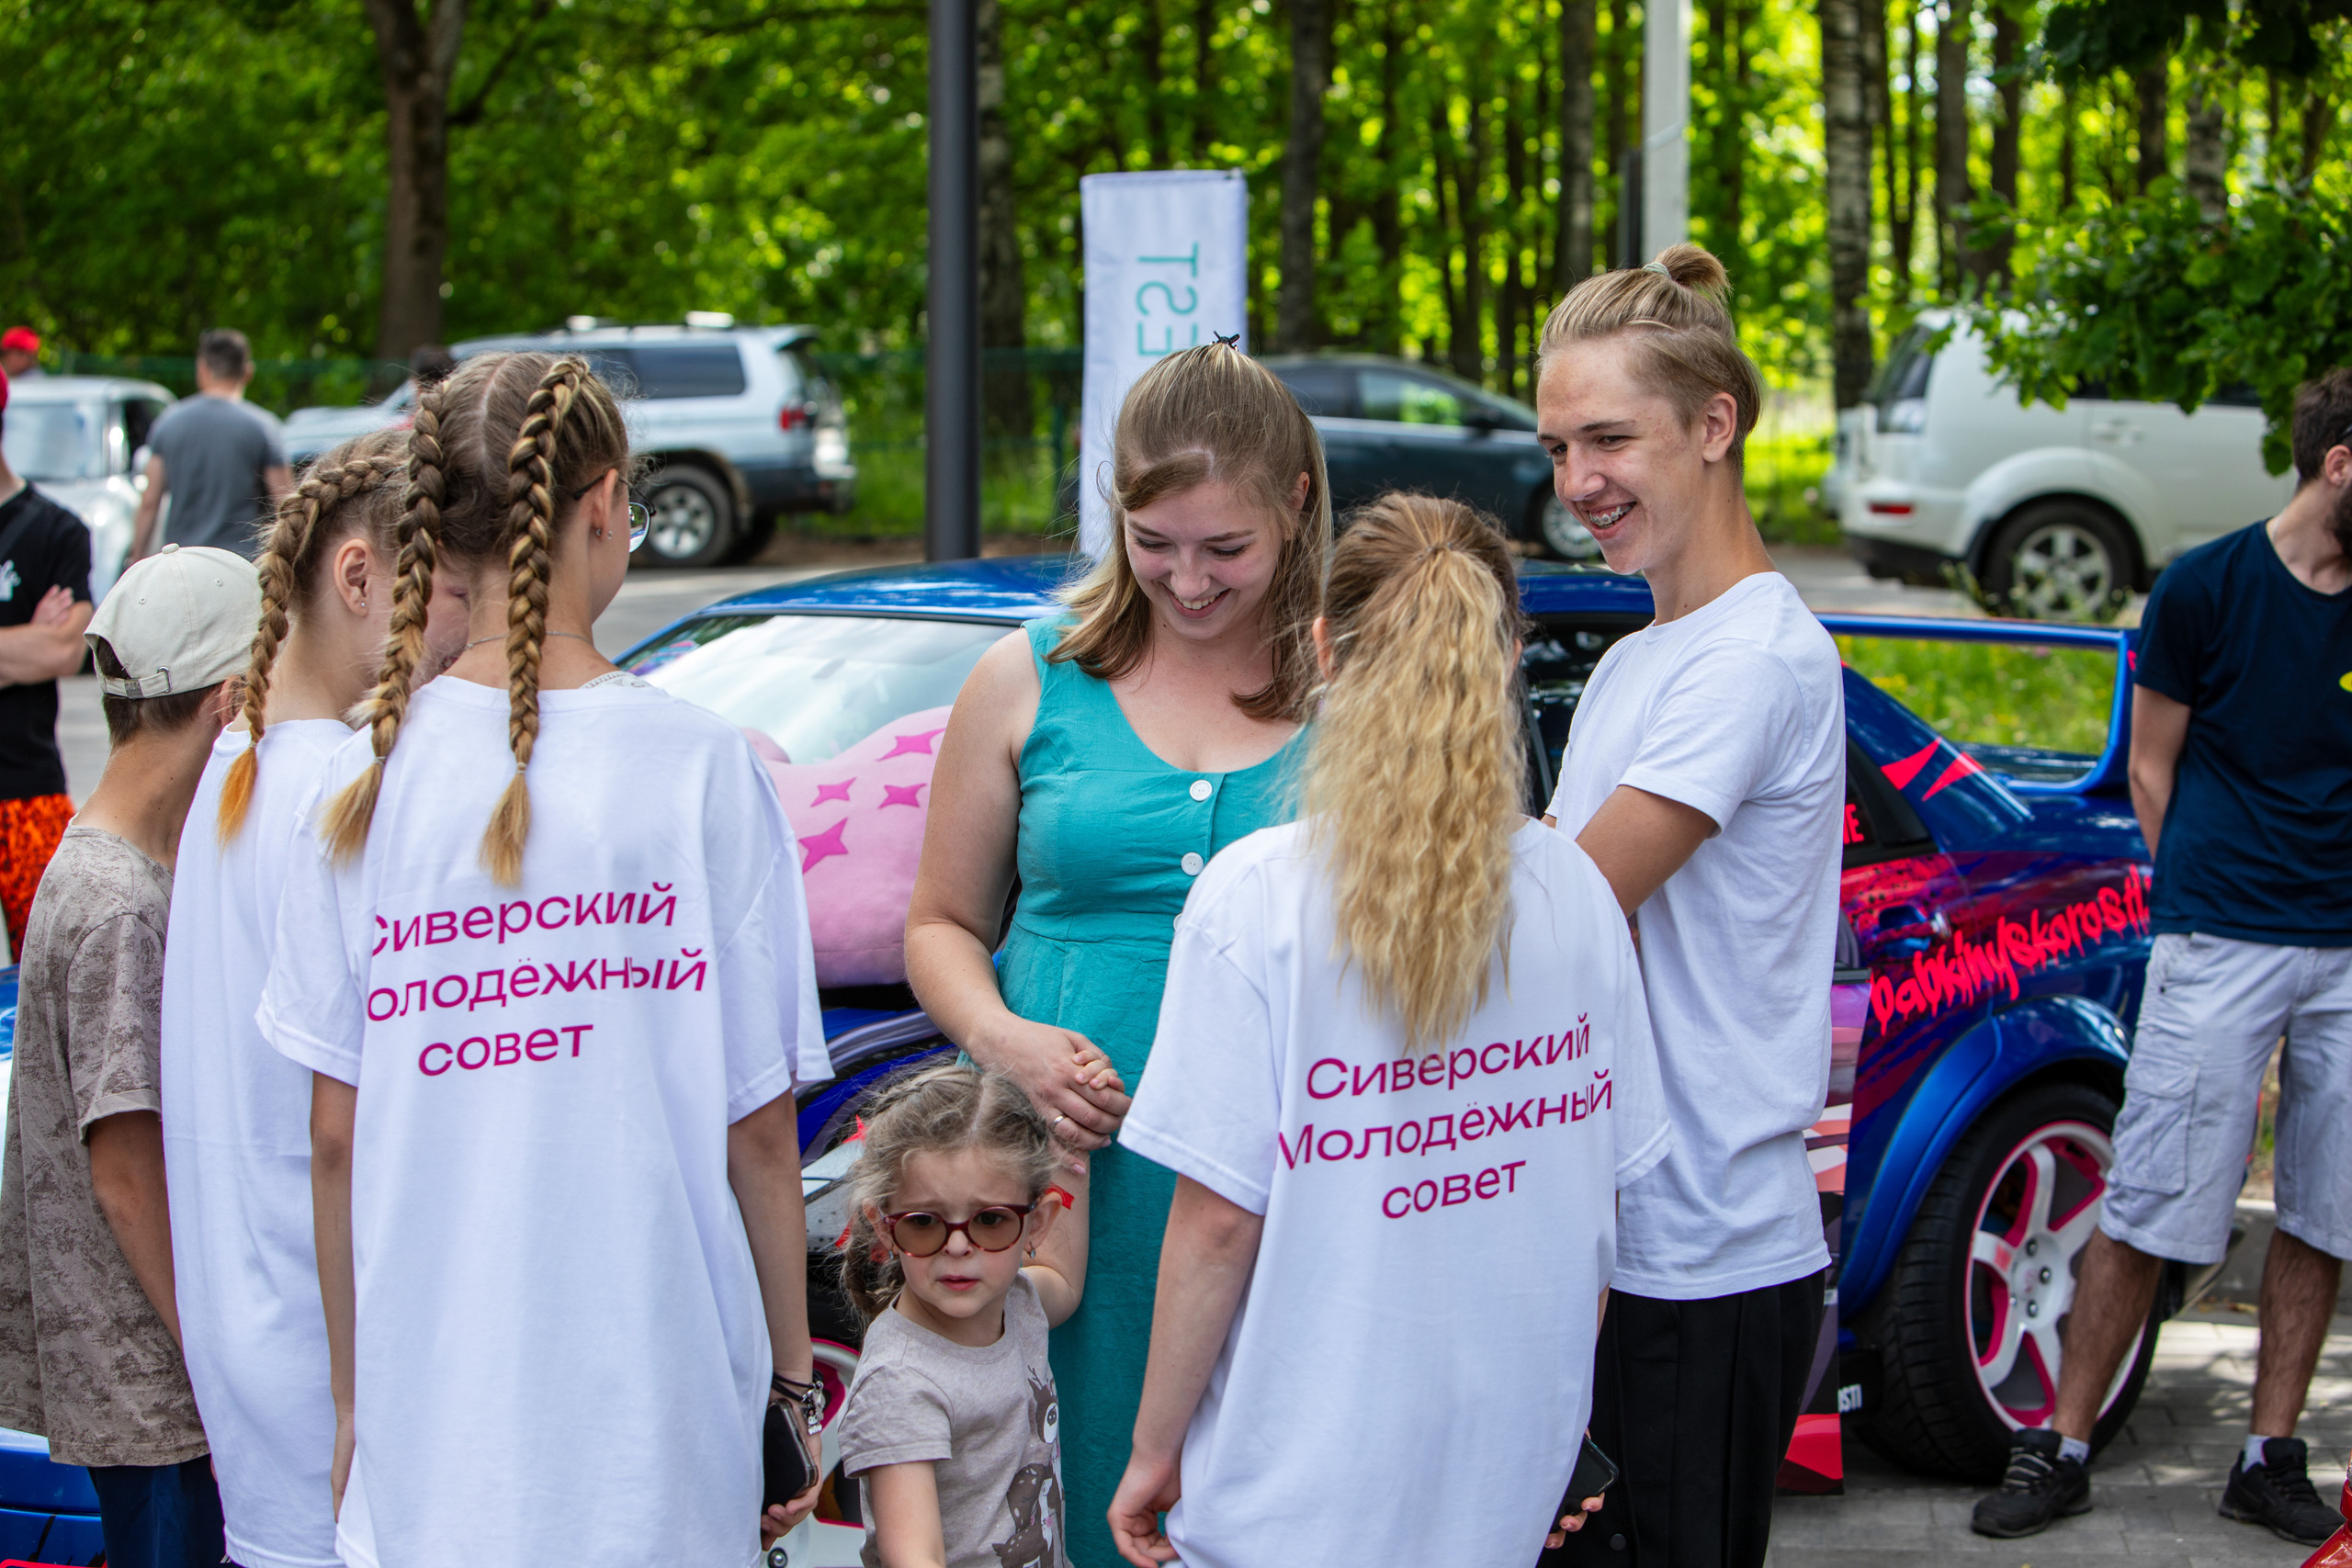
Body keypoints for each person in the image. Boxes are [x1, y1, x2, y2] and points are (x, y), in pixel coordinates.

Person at [255, 351, 832, 1566]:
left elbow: (333, 1136)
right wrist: (788, 1379)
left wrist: (358, 1398)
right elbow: (762, 1130)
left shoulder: (363, 784)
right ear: (606, 503)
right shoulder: (702, 768)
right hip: (658, 1419)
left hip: (433, 1425)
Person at [1104, 494, 1670, 1568]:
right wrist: (1550, 1442)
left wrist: (1152, 1451)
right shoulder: (1579, 897)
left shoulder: (1256, 902)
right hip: (1500, 1487)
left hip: (1293, 1499)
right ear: (1508, 653)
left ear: (1321, 646)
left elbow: (1217, 1228)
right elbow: (1597, 1219)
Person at [906, 339, 1330, 1565]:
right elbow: (938, 923)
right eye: (1155, 544)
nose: (1188, 581)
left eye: (1226, 549)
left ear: (1295, 501)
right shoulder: (1028, 676)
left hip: (1275, 1189)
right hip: (1062, 1196)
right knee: (1069, 1488)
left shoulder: (1348, 687)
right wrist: (1006, 1041)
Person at [1970, 367, 2352, 1546]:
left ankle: (2267, 1453)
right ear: (2340, 464)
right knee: (2149, 1201)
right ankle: (2061, 1444)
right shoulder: (2204, 588)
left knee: (2326, 1212)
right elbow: (2150, 769)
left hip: (2347, 954)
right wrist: (2197, 902)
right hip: (2222, 936)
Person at [1534, 245, 1845, 1568]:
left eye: (1609, 437)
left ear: (1715, 426)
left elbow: (1565, 902)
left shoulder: (1760, 653)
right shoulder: (1640, 654)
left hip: (1706, 1248)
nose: (1576, 482)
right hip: (1610, 1237)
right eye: (1555, 448)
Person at [161, 427, 474, 1568]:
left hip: (253, 1358)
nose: (468, 627)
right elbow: (352, 1132)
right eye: (449, 591)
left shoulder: (239, 762)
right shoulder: (342, 793)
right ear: (359, 578)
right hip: (328, 1367)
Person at [0, 544, 265, 1568]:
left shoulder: (110, 857)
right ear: (228, 702)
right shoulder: (121, 903)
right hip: (154, 1386)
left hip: (144, 1374)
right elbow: (122, 1169)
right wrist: (217, 1355)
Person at [833, 1064, 1096, 1568]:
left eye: (991, 1220)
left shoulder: (1017, 1301)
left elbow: (1061, 1280)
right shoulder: (900, 1382)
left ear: (1035, 1223)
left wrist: (1073, 1129)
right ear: (883, 1229)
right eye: (924, 1223)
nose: (958, 1246)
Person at [0, 367, 96, 957]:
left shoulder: (57, 530)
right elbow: (42, 647)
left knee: (46, 965)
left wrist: (46, 643)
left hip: (26, 793)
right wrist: (23, 640)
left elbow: (65, 650)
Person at [130, 329, 292, 561]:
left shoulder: (167, 423)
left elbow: (149, 501)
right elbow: (285, 506)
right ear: (247, 372)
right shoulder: (264, 427)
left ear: (202, 369)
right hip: (242, 564)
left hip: (183, 562)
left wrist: (135, 560)